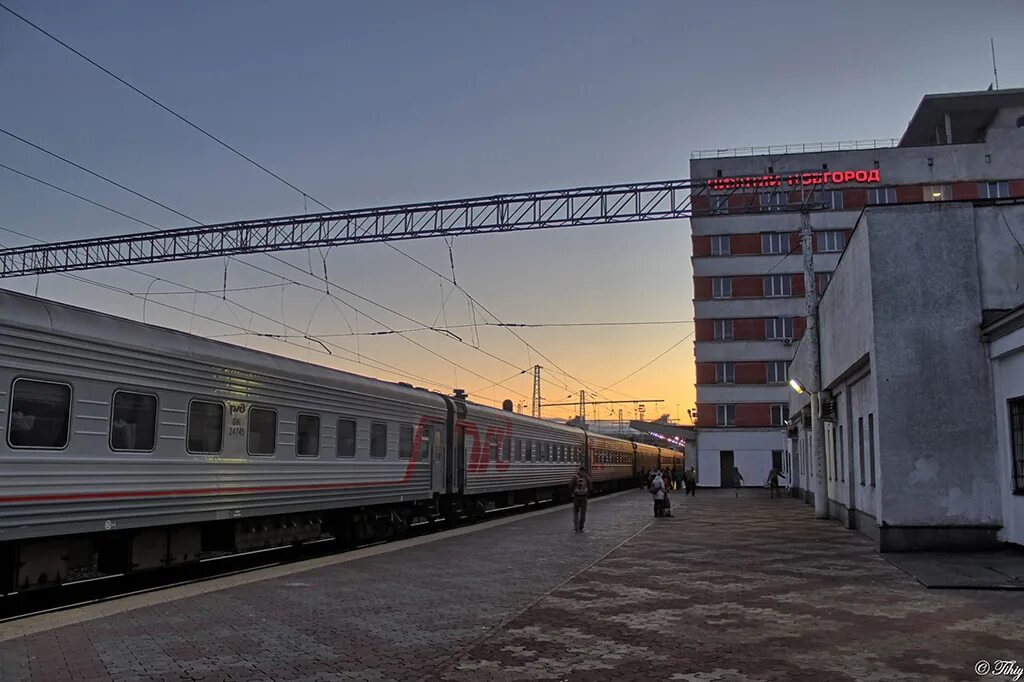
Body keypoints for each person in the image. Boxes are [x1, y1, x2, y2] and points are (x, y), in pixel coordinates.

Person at [569, 466, 591, 533]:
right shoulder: (587, 477)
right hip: (584, 497)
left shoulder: (575, 477)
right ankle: (581, 526)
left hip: (576, 497)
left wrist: (572, 493)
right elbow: (590, 487)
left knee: (576, 512)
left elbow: (570, 486)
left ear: (579, 470)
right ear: (585, 470)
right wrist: (588, 493)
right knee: (583, 513)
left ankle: (576, 527)